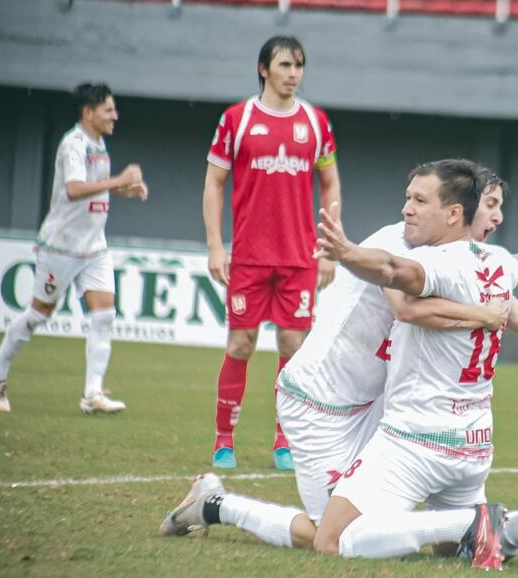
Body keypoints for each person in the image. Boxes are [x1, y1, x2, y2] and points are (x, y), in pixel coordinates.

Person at [160, 162, 518, 570]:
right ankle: (214, 505)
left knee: (379, 539)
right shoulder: (403, 245)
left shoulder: (465, 261)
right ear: (459, 212)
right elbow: (406, 305)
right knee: (330, 533)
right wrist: (485, 312)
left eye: (496, 207)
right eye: (489, 205)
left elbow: (517, 283)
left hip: (378, 405)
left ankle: (495, 526)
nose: (493, 218)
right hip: (319, 402)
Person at [202, 36, 341, 471]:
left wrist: (329, 248)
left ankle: (285, 441)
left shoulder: (316, 122)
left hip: (299, 258)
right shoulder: (237, 119)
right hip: (248, 256)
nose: (294, 73)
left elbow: (331, 183)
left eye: (299, 65)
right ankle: (224, 441)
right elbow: (214, 184)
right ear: (264, 69)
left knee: (292, 344)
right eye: (285, 64)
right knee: (241, 343)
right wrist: (215, 245)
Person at [0, 83, 148, 415]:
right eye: (108, 109)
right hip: (61, 247)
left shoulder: (99, 143)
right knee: (38, 315)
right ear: (88, 112)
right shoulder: (72, 145)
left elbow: (96, 190)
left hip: (94, 247)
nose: (114, 115)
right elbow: (76, 189)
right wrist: (119, 181)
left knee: (104, 314)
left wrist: (125, 192)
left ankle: (92, 394)